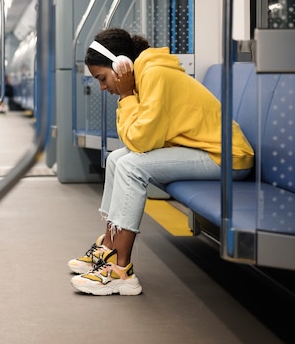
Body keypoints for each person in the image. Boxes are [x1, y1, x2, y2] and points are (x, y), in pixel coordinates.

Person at [68, 28, 254, 296]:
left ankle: (121, 272)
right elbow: (134, 140)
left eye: (103, 78)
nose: (103, 87)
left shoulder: (154, 75)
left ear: (121, 65)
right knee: (118, 159)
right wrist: (128, 94)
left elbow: (140, 141)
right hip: (203, 151)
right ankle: (108, 248)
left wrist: (126, 96)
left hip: (227, 157)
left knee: (131, 166)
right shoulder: (144, 75)